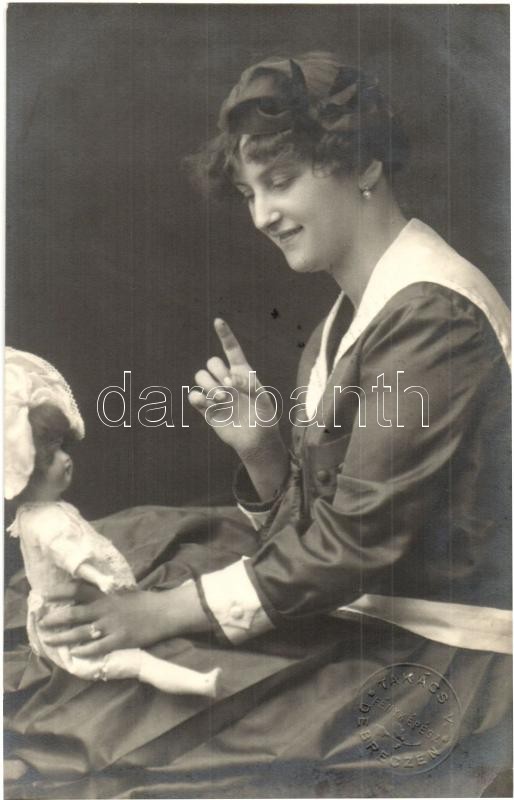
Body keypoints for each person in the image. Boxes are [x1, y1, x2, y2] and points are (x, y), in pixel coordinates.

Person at [5, 52, 512, 798]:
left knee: (140, 718)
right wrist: (264, 452)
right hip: (362, 605)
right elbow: (327, 527)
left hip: (442, 652)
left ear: (364, 163)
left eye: (280, 181)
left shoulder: (433, 318)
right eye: (249, 192)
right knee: (111, 595)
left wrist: (160, 614)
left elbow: (356, 544)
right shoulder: (355, 314)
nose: (261, 215)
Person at [4, 347, 221, 705]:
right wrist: (101, 579)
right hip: (70, 623)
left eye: (61, 447)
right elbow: (71, 557)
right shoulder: (45, 523)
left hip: (74, 600)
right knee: (134, 662)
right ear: (25, 475)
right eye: (51, 457)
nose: (66, 459)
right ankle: (200, 684)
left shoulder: (42, 511)